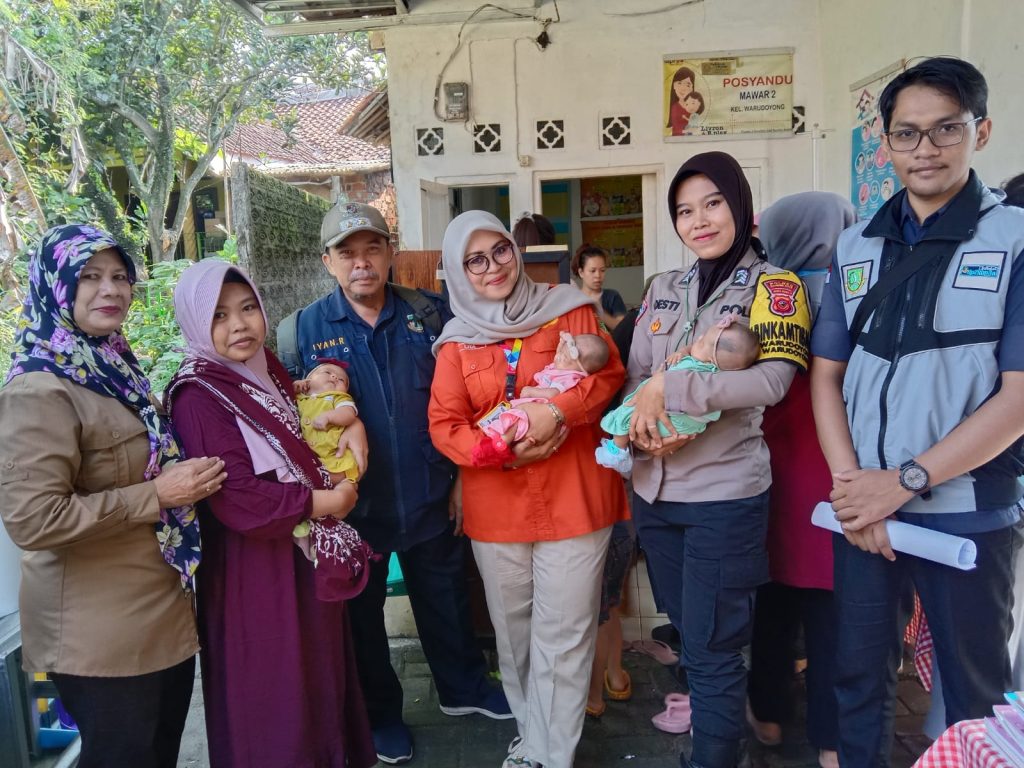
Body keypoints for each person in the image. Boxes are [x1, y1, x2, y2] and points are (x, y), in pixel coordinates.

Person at [809, 57, 1024, 768]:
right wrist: (853, 490)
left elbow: (1019, 399)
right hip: (867, 512)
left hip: (966, 510)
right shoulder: (856, 244)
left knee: (976, 701)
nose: (925, 149)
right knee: (856, 683)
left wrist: (900, 481)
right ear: (886, 143)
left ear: (980, 132)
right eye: (908, 134)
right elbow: (826, 377)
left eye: (945, 130)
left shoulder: (1015, 239)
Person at [287, 201, 510, 765]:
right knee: (362, 621)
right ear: (328, 262)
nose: (361, 263)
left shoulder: (431, 314)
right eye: (347, 253)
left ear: (390, 252)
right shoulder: (301, 331)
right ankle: (382, 714)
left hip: (430, 491)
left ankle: (464, 690)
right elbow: (289, 425)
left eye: (371, 249)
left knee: (446, 599)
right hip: (355, 506)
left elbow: (463, 404)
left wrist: (461, 478)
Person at [0, 225, 226, 768]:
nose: (111, 290)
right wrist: (155, 494)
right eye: (90, 277)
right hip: (99, 635)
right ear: (57, 285)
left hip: (158, 615)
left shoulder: (108, 364)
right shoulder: (40, 388)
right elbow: (32, 521)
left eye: (120, 276)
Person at [625, 151, 811, 768]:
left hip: (724, 499)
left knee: (712, 649)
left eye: (712, 204)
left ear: (740, 205)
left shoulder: (776, 288)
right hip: (655, 493)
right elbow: (636, 378)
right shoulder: (662, 288)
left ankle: (713, 759)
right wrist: (637, 421)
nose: (699, 220)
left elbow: (772, 383)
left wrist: (672, 388)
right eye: (684, 210)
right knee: (691, 640)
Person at [428, 210, 628, 768]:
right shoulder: (455, 343)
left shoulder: (568, 308)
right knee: (514, 637)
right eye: (475, 259)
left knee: (564, 636)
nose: (492, 267)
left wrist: (556, 414)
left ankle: (550, 754)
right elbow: (445, 424)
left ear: (517, 253)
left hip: (574, 498)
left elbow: (607, 374)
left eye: (500, 251)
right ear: (457, 271)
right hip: (496, 508)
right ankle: (531, 734)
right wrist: (493, 449)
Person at [163, 259, 375, 768]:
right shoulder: (198, 395)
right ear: (195, 323)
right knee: (273, 697)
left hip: (299, 557)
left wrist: (353, 426)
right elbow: (238, 500)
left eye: (247, 308)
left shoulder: (268, 370)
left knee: (317, 683)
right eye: (217, 315)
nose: (239, 325)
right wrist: (330, 502)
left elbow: (308, 428)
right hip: (253, 573)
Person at [745, 192, 855, 768]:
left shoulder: (765, 297)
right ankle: (833, 743)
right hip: (842, 479)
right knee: (836, 623)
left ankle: (766, 717)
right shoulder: (858, 293)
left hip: (771, 476)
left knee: (772, 609)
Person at [596, 317, 760, 474]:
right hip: (689, 427)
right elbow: (694, 350)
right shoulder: (715, 371)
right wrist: (683, 351)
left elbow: (666, 382)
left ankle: (617, 450)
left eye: (701, 342)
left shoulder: (694, 372)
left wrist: (659, 381)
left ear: (710, 359)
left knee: (627, 413)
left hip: (673, 422)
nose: (698, 338)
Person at [475, 331, 609, 458]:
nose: (558, 357)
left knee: (517, 417)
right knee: (513, 416)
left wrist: (532, 391)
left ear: (582, 369)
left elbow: (554, 393)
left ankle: (504, 440)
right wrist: (562, 343)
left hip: (540, 412)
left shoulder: (569, 376)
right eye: (561, 353)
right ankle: (496, 437)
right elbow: (562, 353)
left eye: (564, 358)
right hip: (534, 409)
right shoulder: (564, 367)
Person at [294, 359, 361, 486]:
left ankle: (341, 481)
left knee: (342, 470)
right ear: (308, 380)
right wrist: (297, 385)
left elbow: (348, 414)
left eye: (342, 380)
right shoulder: (300, 397)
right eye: (327, 372)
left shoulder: (338, 398)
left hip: (332, 453)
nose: (335, 376)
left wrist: (329, 416)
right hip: (309, 455)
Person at [572, 244, 627, 330]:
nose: (598, 275)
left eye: (602, 270)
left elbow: (623, 329)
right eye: (592, 271)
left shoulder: (612, 296)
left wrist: (599, 311)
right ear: (581, 272)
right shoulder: (573, 299)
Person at [667, 66, 697, 136]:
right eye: (679, 83)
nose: (683, 88)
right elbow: (678, 130)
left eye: (687, 85)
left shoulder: (693, 107)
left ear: (692, 88)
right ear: (674, 85)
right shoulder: (675, 108)